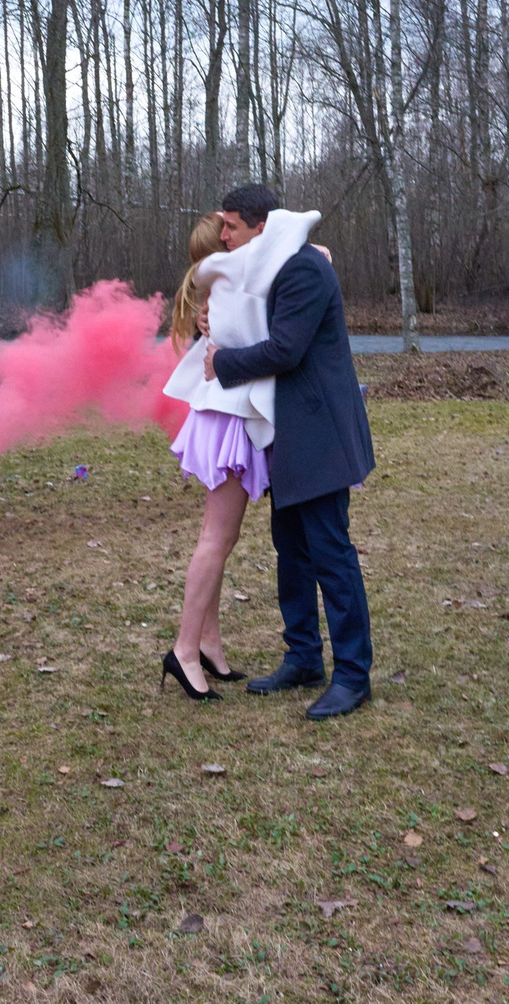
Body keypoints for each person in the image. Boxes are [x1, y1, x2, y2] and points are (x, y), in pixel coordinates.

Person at [204, 182, 376, 720]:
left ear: (260, 225)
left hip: (319, 433)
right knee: (292, 549)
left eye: (230, 224)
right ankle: (303, 656)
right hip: (290, 434)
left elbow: (286, 348)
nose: (223, 233)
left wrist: (223, 364)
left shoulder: (300, 268)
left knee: (330, 553)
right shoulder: (272, 265)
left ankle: (353, 675)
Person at [155, 211, 290, 698]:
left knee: (219, 537)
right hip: (228, 417)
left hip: (220, 416)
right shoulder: (231, 288)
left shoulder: (219, 289)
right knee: (217, 538)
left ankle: (207, 642)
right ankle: (185, 650)